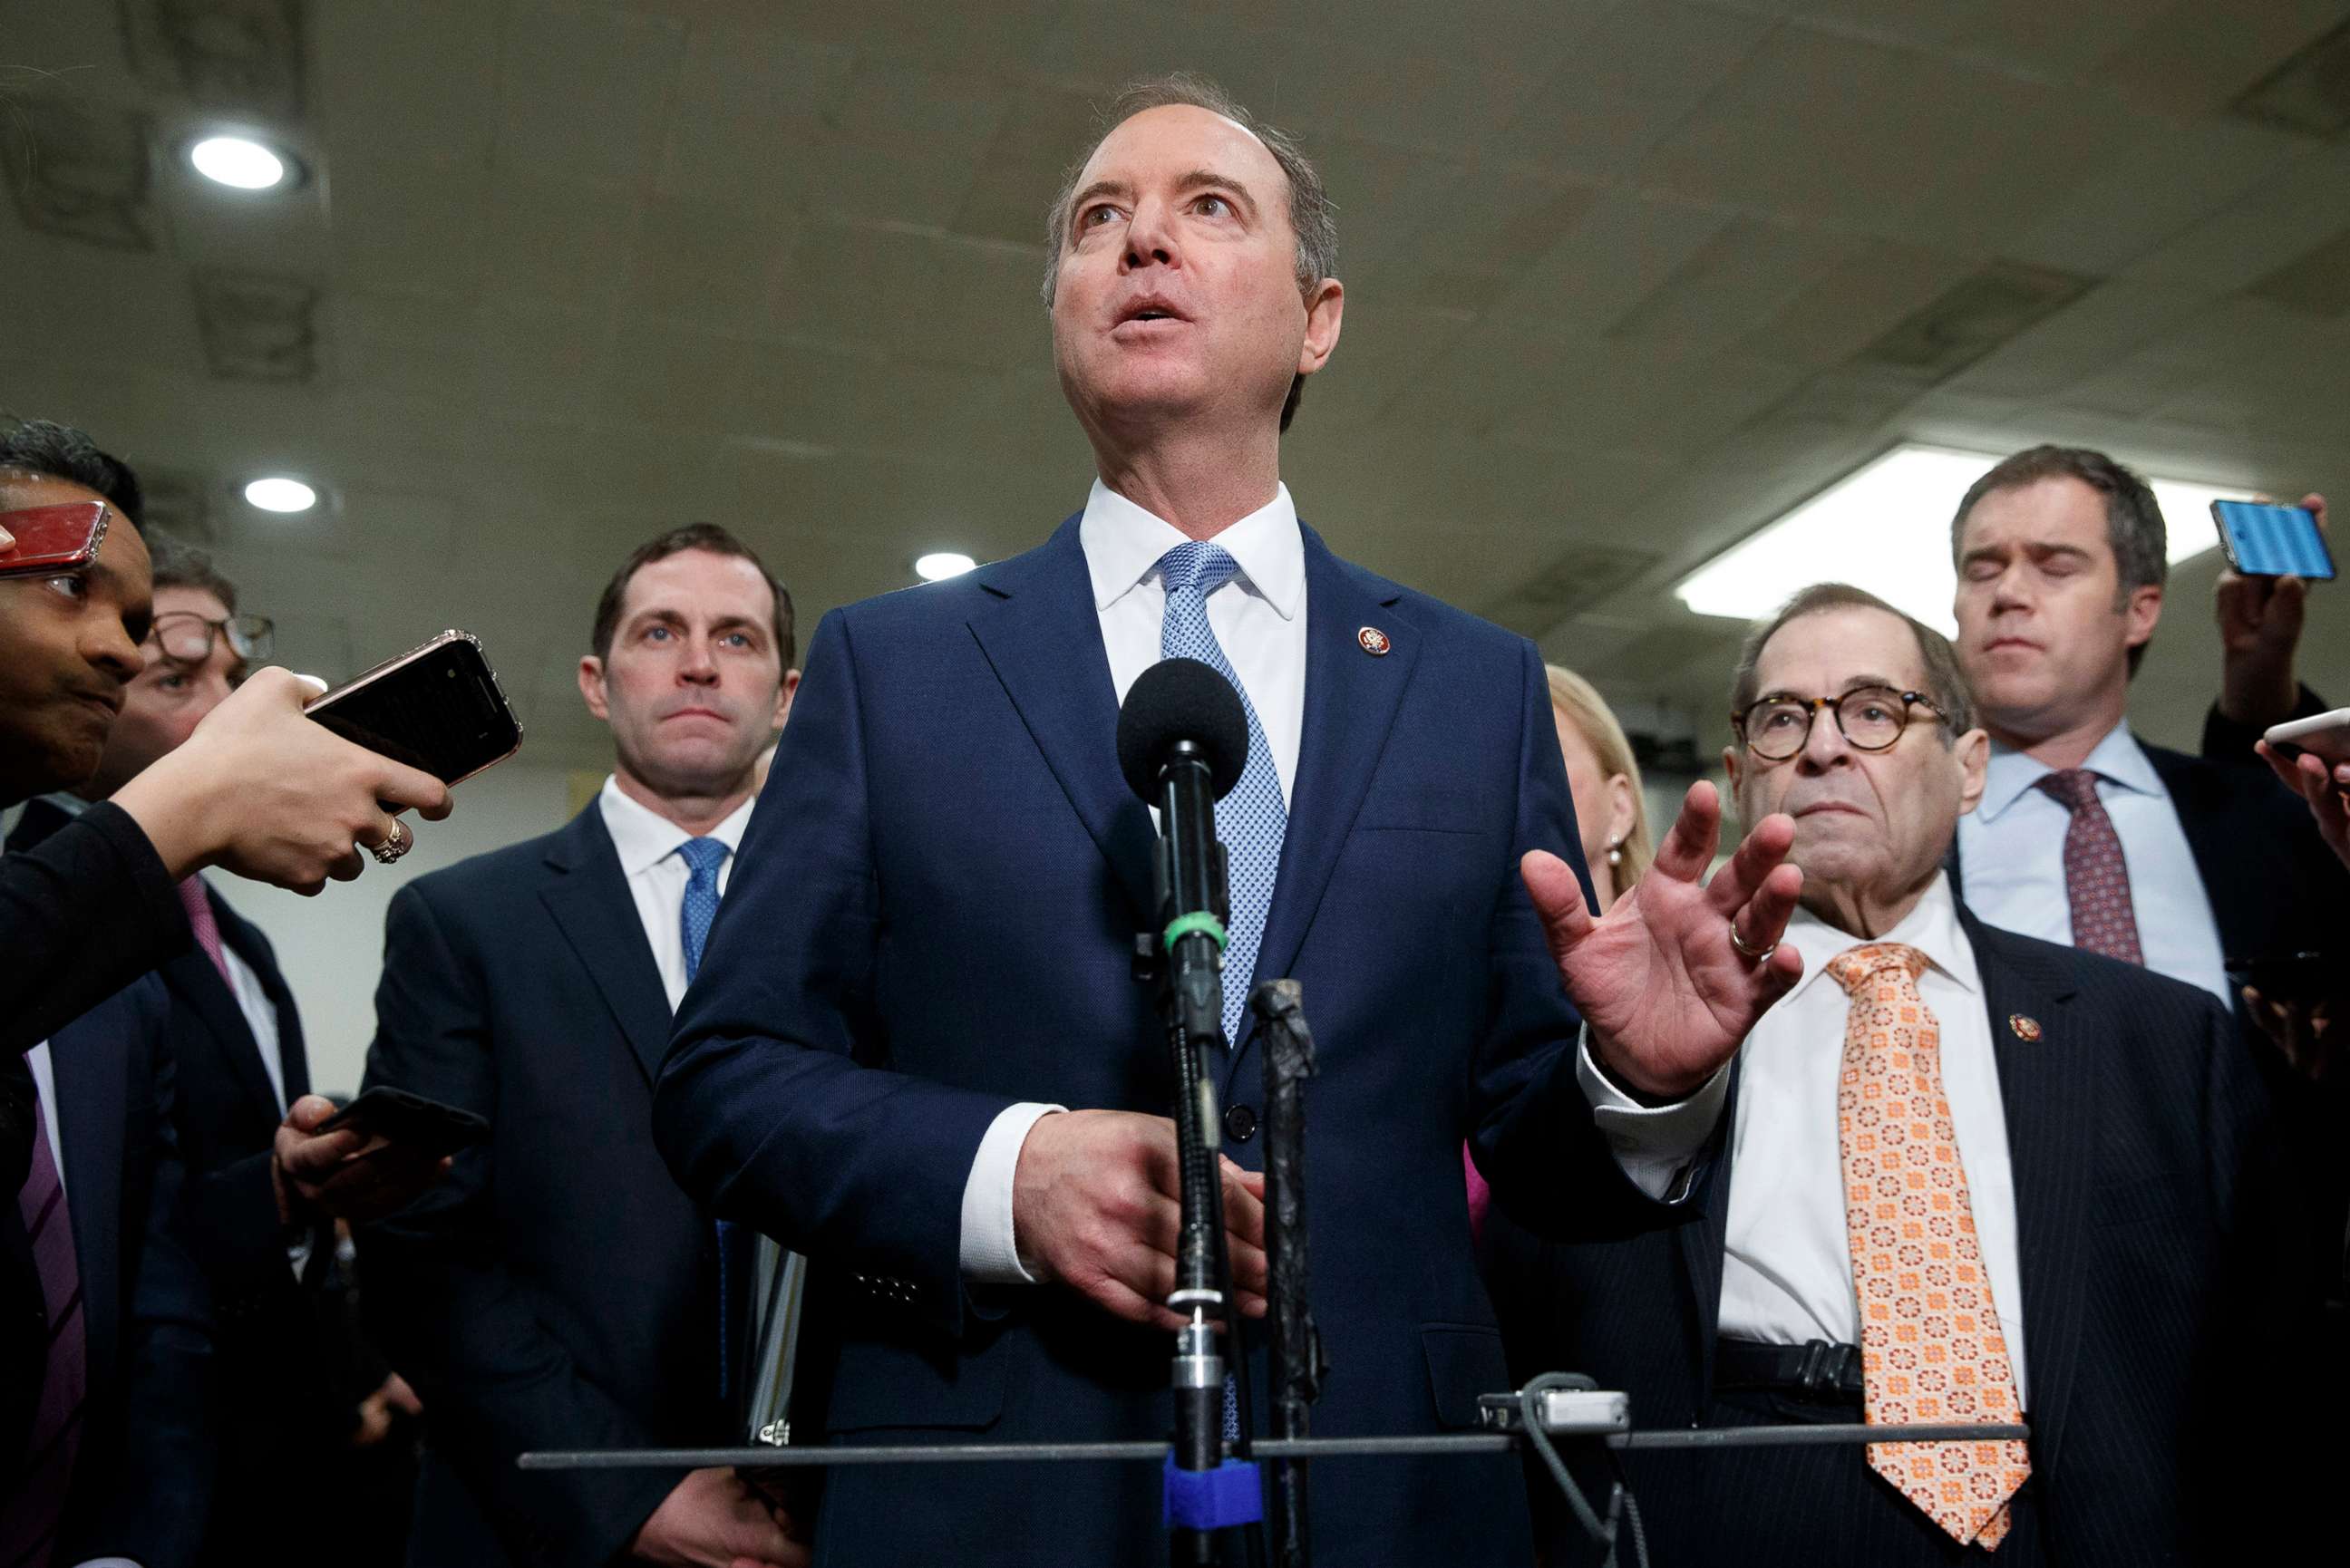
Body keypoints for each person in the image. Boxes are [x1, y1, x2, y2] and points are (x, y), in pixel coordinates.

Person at [654, 74, 1803, 1566]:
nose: (1143, 245)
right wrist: (1012, 1171)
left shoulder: (1472, 686)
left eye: (1207, 209)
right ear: (1060, 308)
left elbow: (1534, 1149)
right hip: (1001, 1495)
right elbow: (726, 1084)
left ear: (1317, 317)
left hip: (1390, 1495)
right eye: (1097, 223)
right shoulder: (895, 671)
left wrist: (1633, 1085)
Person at [1506, 584, 2305, 1566]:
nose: (1824, 747)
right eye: (1782, 718)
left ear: (1971, 767)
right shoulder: (1640, 1019)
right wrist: (1643, 1079)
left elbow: (2270, 1367)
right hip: (1740, 1501)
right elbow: (1532, 1246)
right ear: (1737, 772)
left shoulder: (2160, 1039)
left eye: (1875, 710)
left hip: (2073, 1514)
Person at [359, 523, 806, 1568]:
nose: (699, 659)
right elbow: (420, 1252)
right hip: (539, 1517)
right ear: (599, 683)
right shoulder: (463, 921)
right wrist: (630, 1495)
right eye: (662, 630)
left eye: (736, 638)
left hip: (809, 1515)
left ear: (785, 696)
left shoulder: (862, 926)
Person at [6, 531, 440, 1565]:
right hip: (117, 1466)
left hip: (265, 1438)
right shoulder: (45, 918)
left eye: (237, 677)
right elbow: (101, 1235)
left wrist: (349, 1360)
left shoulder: (236, 936)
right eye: (181, 669)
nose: (228, 698)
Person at [0, 419, 455, 1054]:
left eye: (135, 626)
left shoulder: (236, 938)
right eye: (71, 585)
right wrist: (198, 803)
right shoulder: (57, 888)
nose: (124, 655)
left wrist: (278, 1161)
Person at [1947, 444, 2349, 1007]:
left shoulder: (2266, 820)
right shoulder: (1903, 834)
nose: (2008, 594)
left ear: (2140, 611)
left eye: (2056, 567)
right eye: (1982, 570)